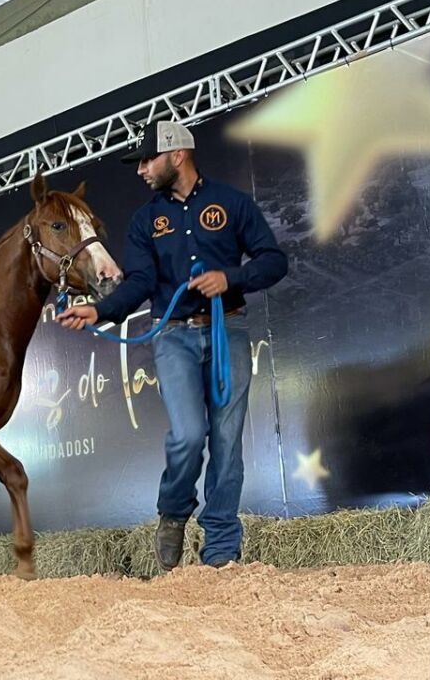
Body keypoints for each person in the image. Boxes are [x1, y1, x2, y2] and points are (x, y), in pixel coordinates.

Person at [56, 120, 288, 569]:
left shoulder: (232, 203)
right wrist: (98, 311)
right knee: (188, 435)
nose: (141, 169)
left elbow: (273, 261)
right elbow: (140, 281)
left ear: (176, 154)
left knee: (226, 442)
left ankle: (220, 550)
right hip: (173, 335)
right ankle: (174, 511)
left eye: (147, 159)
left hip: (228, 331)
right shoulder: (146, 221)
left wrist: (231, 277)